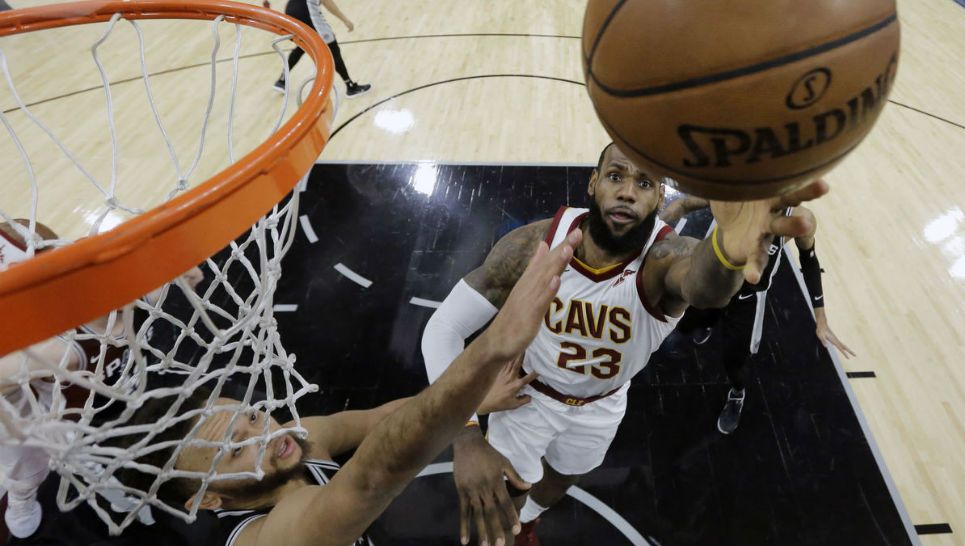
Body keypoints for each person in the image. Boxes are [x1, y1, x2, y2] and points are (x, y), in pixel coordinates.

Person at [421, 143, 828, 546]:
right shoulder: (535, 245)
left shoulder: (666, 257)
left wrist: (728, 251)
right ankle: (516, 527)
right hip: (528, 397)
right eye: (616, 176)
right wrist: (466, 433)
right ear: (594, 183)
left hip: (603, 403)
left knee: (565, 474)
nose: (628, 191)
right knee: (503, 507)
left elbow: (706, 288)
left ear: (659, 197)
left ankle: (530, 521)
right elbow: (442, 329)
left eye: (645, 183)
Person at [111, 228, 584, 546]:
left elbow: (384, 418)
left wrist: (473, 402)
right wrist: (491, 348)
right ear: (209, 500)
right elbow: (372, 477)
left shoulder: (293, 441)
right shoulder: (271, 536)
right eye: (236, 451)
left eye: (252, 416)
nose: (265, 434)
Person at [0, 218, 204, 539]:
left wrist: (170, 261)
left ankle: (123, 496)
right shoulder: (58, 350)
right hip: (70, 422)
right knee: (31, 466)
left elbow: (188, 271)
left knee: (128, 458)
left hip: (128, 395)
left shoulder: (144, 292)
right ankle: (22, 500)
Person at [660, 197, 855, 434]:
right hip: (713, 282)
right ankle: (709, 321)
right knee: (688, 322)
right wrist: (667, 213)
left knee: (735, 361)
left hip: (747, 300)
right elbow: (692, 201)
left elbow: (810, 262)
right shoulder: (736, 192)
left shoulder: (800, 220)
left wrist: (821, 320)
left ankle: (737, 394)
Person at [265, 0, 371, 98]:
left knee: (302, 46)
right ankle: (350, 87)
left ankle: (281, 80)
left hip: (290, 13)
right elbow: (327, 2)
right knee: (333, 48)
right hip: (306, 14)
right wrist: (345, 20)